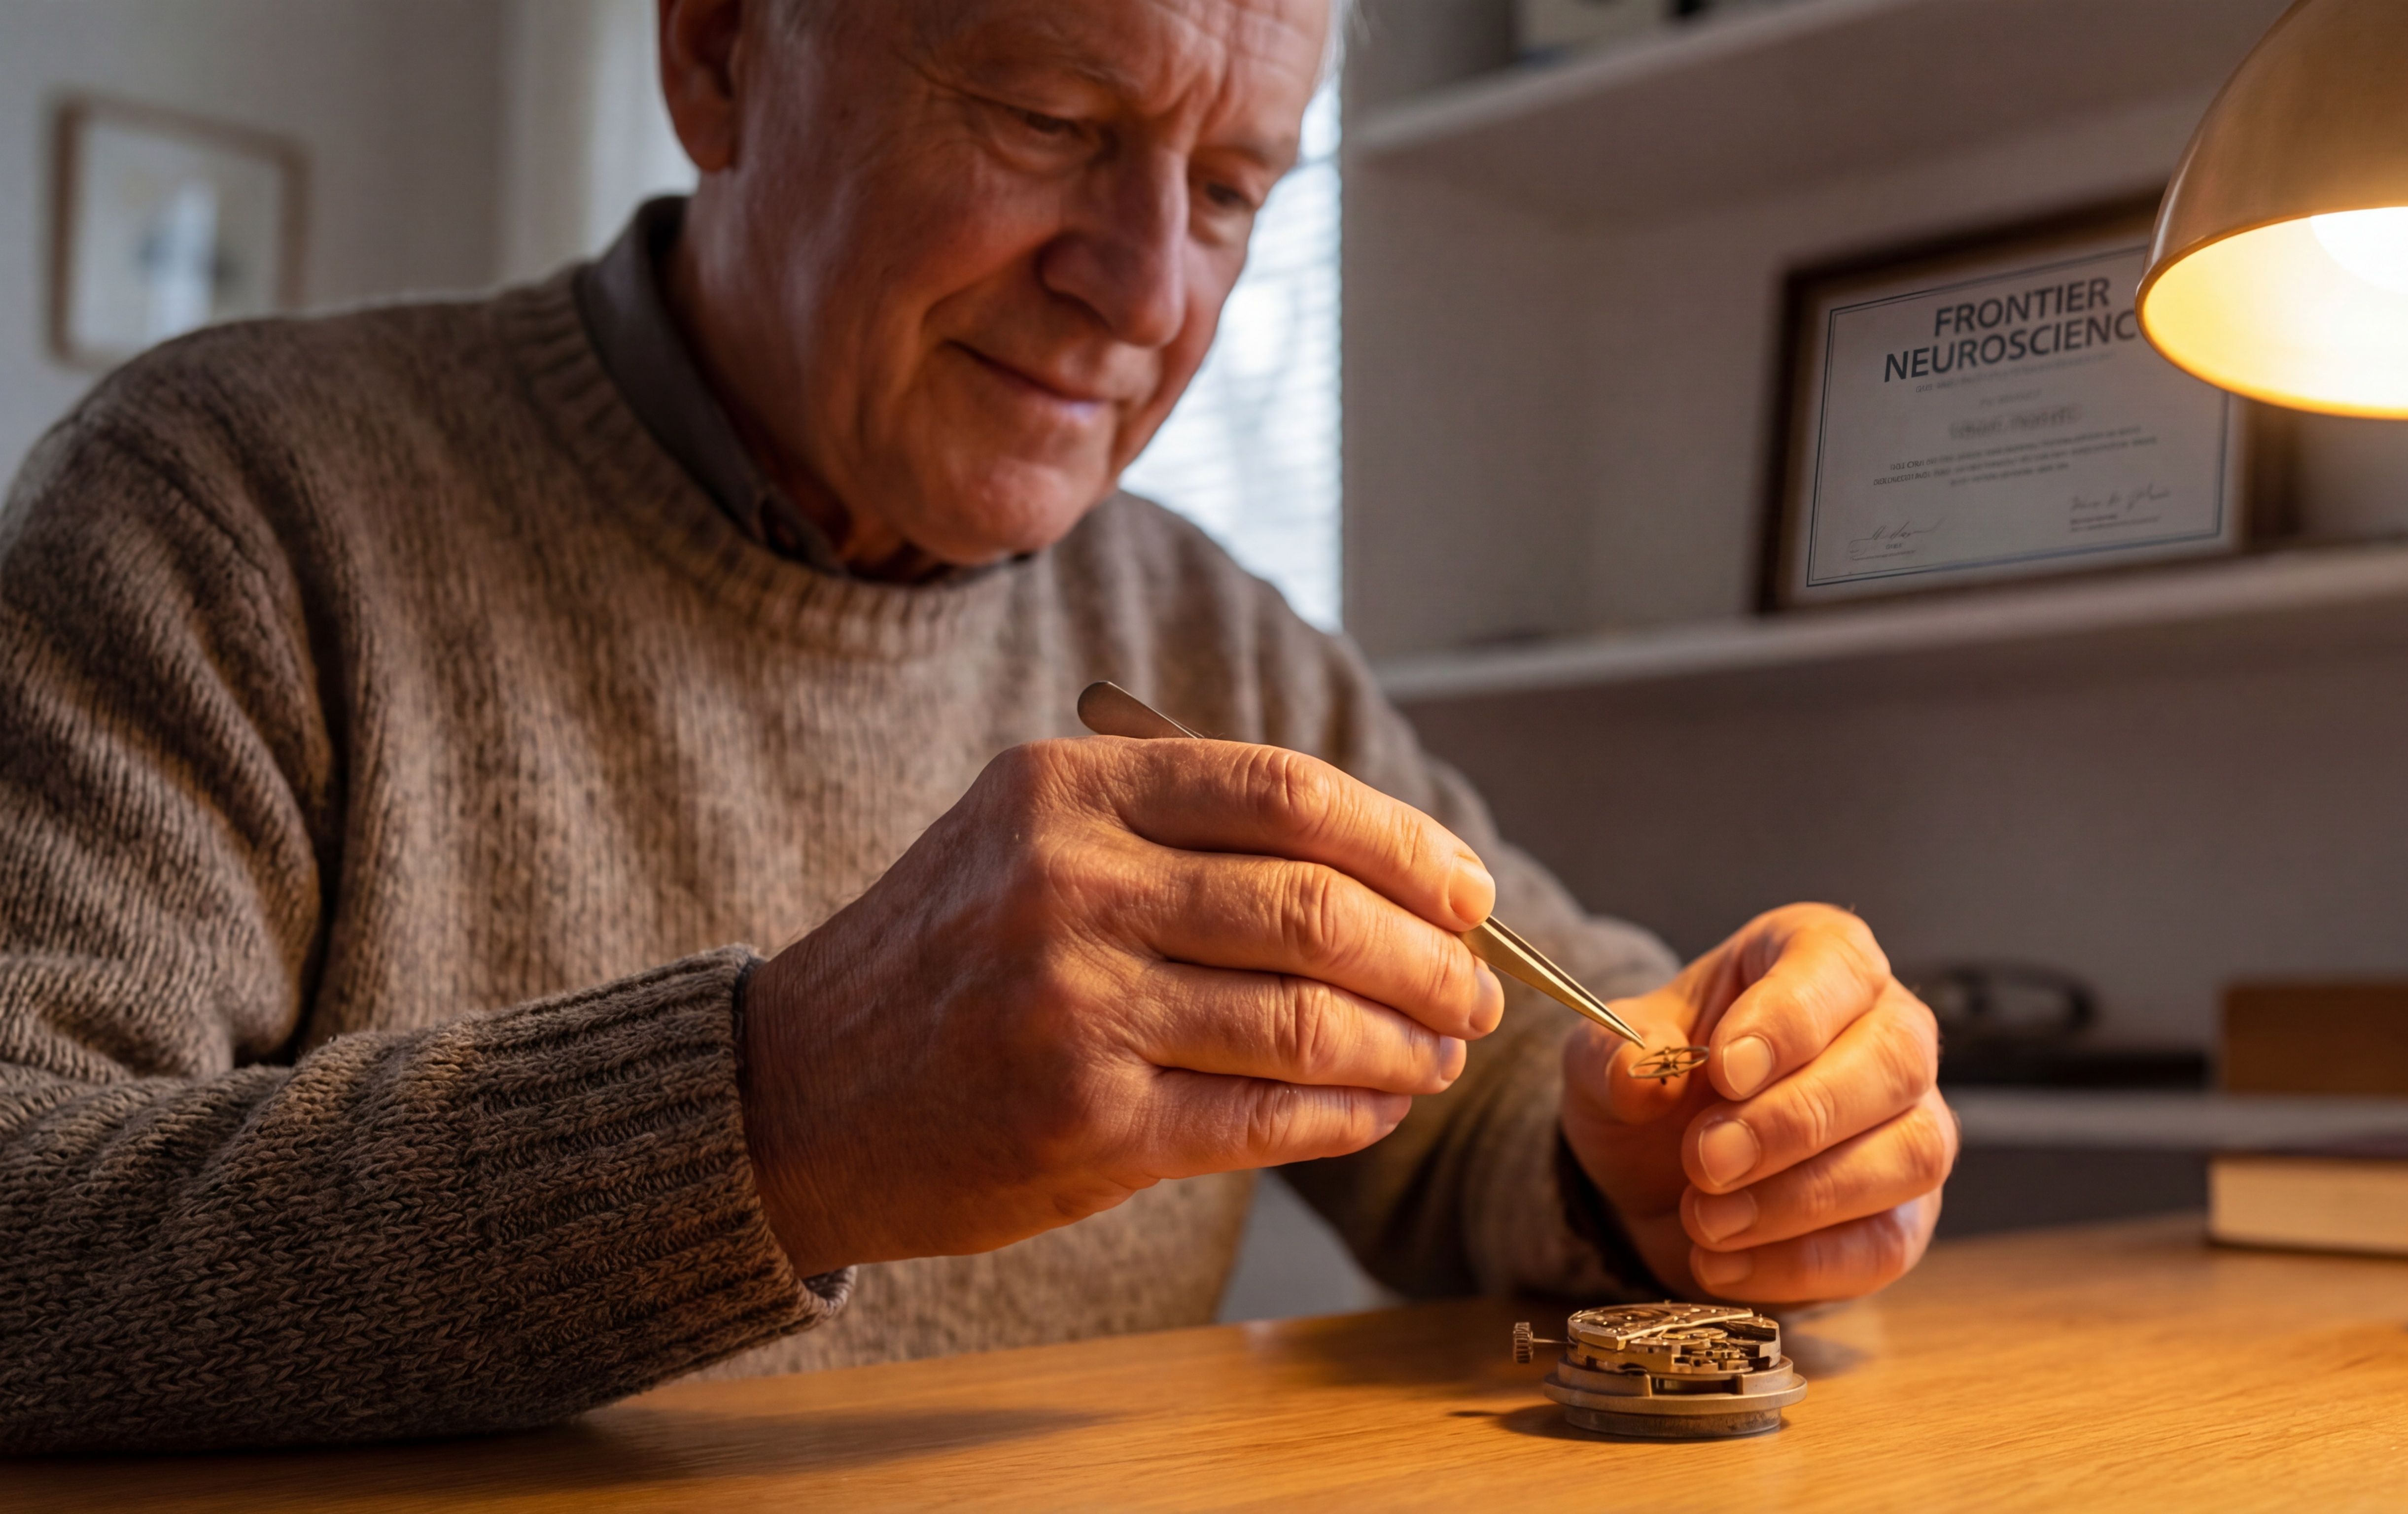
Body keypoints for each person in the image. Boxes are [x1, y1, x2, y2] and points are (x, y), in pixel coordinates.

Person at [0, 0, 1954, 1453]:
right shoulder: (233, 505)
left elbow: (1521, 1084)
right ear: (715, 56)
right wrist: (767, 1121)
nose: (1146, 287)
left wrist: (1703, 1134)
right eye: (1042, 120)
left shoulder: (1199, 624)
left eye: (1232, 188)